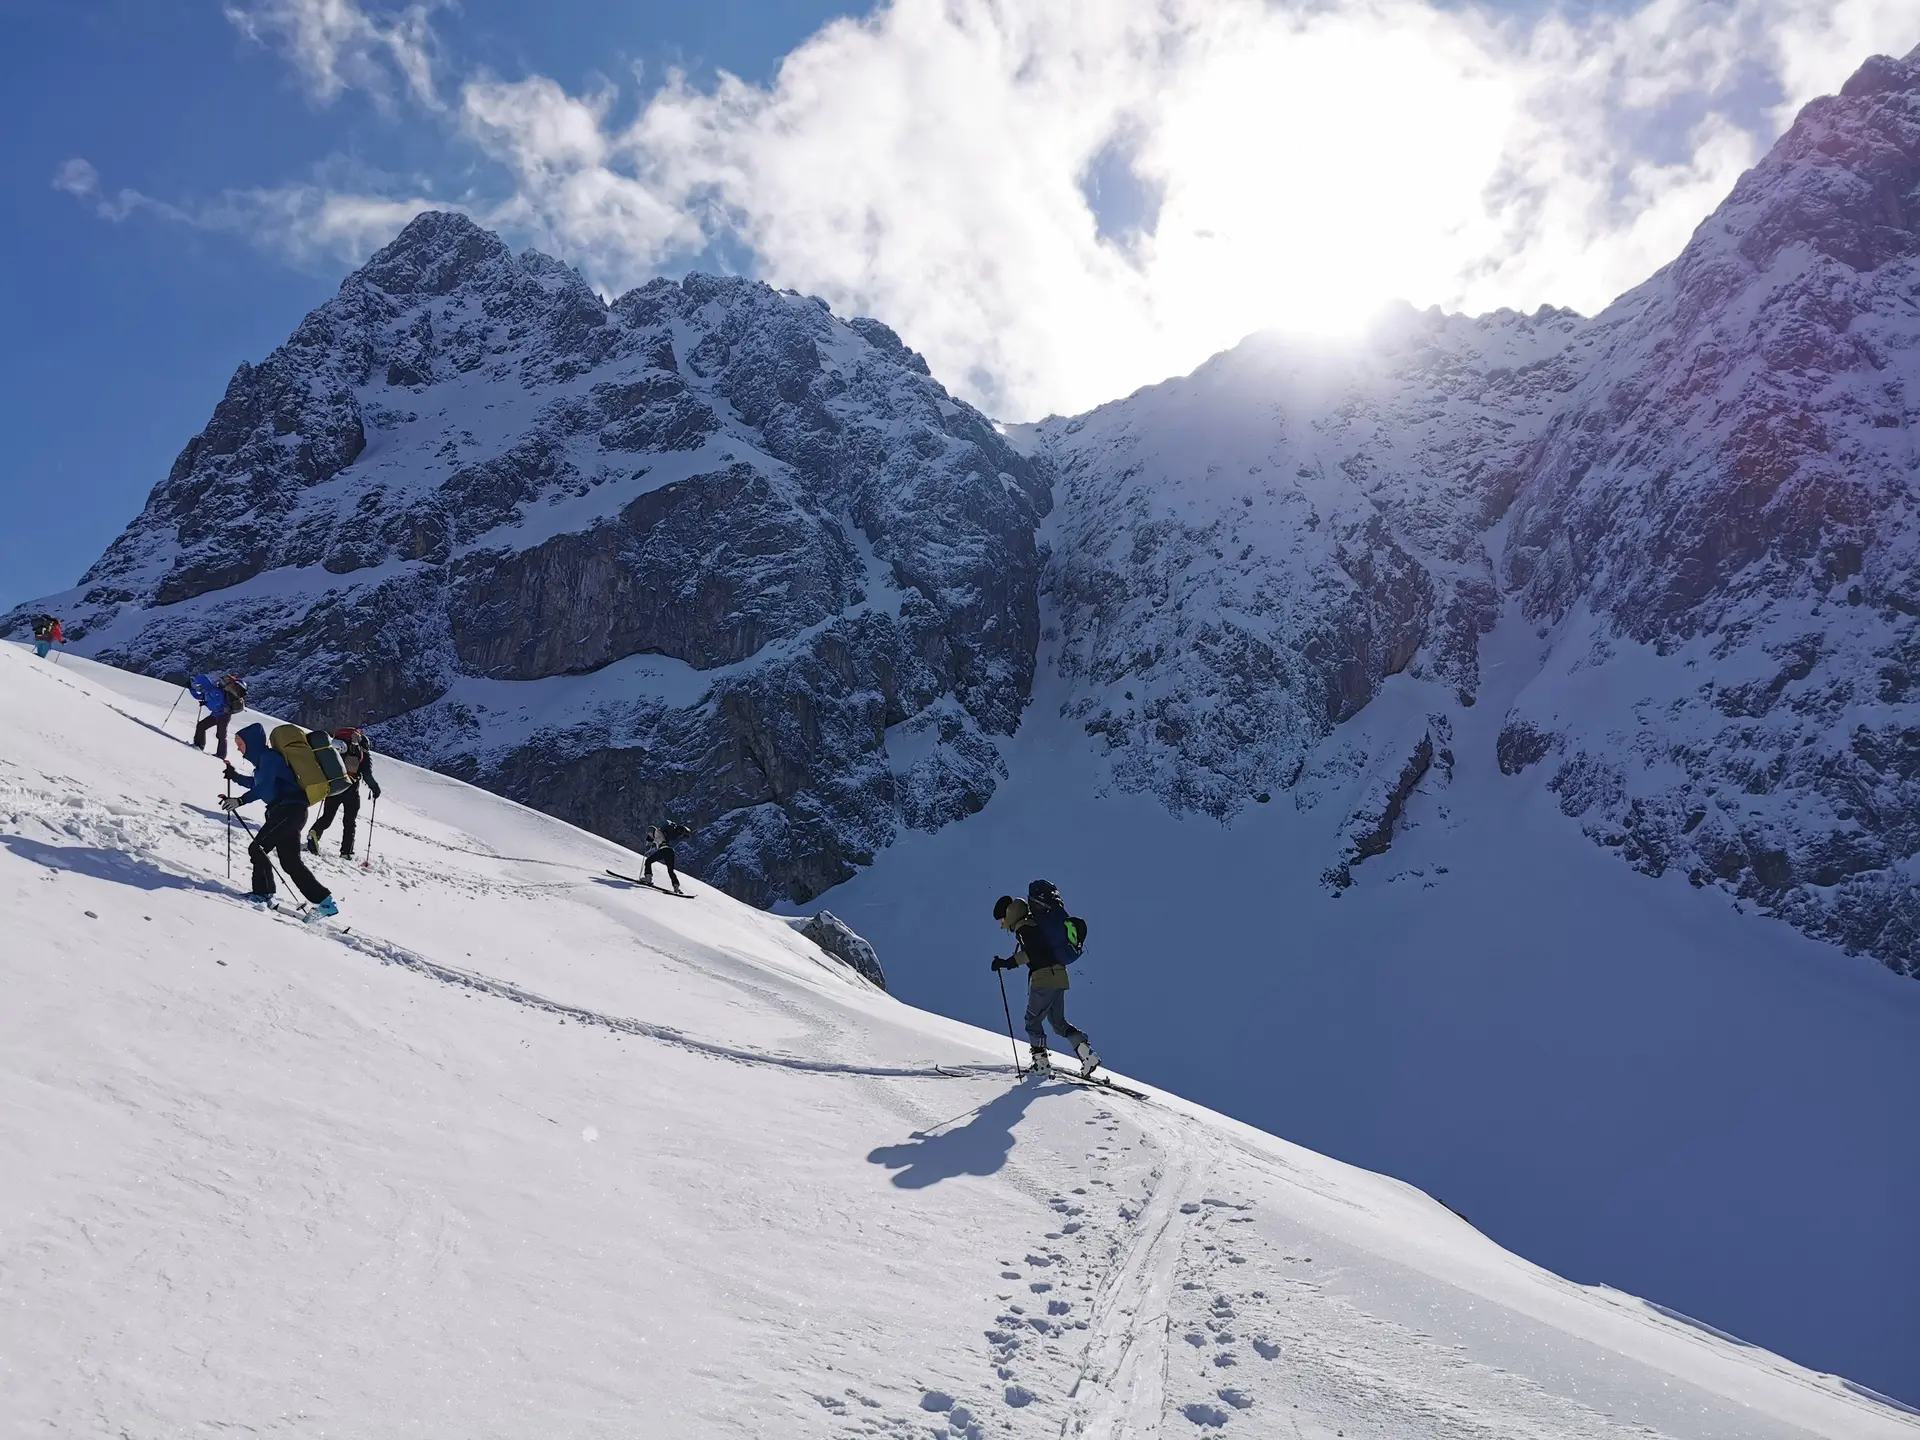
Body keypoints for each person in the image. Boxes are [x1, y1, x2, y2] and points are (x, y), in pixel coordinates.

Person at [219, 722, 337, 916]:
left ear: (251, 742)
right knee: (290, 862)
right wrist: (234, 776)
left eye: (240, 743)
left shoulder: (270, 758)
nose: (238, 748)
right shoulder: (263, 764)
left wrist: (240, 800)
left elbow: (263, 789)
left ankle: (263, 893)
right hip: (288, 812)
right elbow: (257, 782)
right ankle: (325, 902)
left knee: (258, 849)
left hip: (289, 811)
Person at [992, 894, 1099, 1077]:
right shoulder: (1034, 923)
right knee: (1058, 1023)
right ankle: (1087, 1055)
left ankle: (1041, 1063)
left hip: (1043, 978)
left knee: (1032, 1021)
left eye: (1001, 919)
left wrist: (1006, 963)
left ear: (1009, 914)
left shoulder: (1024, 928)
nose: (1002, 924)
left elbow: (1031, 954)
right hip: (1059, 975)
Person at [306, 727, 381, 860]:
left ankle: (315, 833)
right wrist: (375, 788)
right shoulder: (362, 753)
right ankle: (346, 852)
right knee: (349, 822)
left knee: (328, 816)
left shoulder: (337, 748)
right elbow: (367, 775)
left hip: (334, 786)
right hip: (351, 790)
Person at [189, 673, 248, 758]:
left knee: (217, 733)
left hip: (222, 714)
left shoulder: (217, 691)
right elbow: (205, 698)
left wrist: (193, 683)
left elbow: (212, 700)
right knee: (217, 733)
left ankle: (206, 748)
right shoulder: (219, 692)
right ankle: (215, 752)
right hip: (222, 714)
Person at [642, 824, 685, 894]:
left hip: (664, 850)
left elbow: (653, 836)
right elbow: (653, 840)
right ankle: (676, 886)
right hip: (670, 852)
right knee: (670, 871)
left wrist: (649, 839)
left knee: (648, 861)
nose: (649, 834)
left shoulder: (657, 832)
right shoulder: (658, 835)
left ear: (652, 831)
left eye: (649, 833)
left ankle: (648, 878)